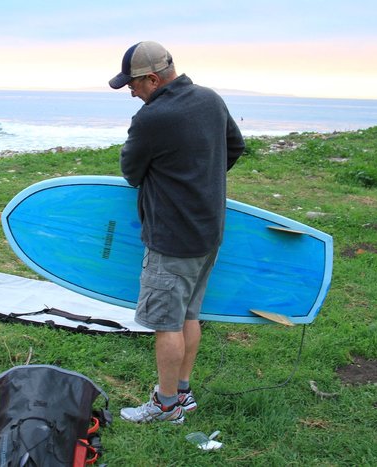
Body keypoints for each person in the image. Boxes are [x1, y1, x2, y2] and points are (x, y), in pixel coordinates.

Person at [109, 41, 246, 424]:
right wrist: (197, 177)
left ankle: (166, 406)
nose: (132, 93)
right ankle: (182, 392)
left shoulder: (152, 118)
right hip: (208, 231)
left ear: (152, 79)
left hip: (172, 239)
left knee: (166, 323)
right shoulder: (210, 99)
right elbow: (234, 147)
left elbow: (131, 172)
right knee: (189, 315)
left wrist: (174, 180)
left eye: (133, 85)